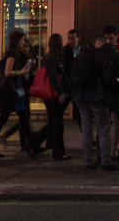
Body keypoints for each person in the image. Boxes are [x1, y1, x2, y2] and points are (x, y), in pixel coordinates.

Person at [71, 28, 119, 171]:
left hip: (80, 98)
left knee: (86, 129)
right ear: (98, 43)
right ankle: (105, 160)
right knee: (103, 128)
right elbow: (106, 78)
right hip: (96, 98)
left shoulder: (80, 56)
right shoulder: (100, 56)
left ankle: (88, 161)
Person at [0, 30, 29, 159]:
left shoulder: (15, 53)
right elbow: (7, 73)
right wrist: (21, 72)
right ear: (17, 40)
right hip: (9, 91)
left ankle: (30, 144)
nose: (23, 41)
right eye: (22, 39)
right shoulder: (11, 53)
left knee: (22, 116)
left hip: (12, 91)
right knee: (3, 119)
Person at [31, 32, 71, 160]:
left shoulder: (48, 57)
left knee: (54, 123)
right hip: (53, 94)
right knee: (57, 124)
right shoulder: (53, 58)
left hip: (51, 95)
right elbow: (53, 78)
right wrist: (60, 92)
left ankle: (36, 144)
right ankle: (57, 152)